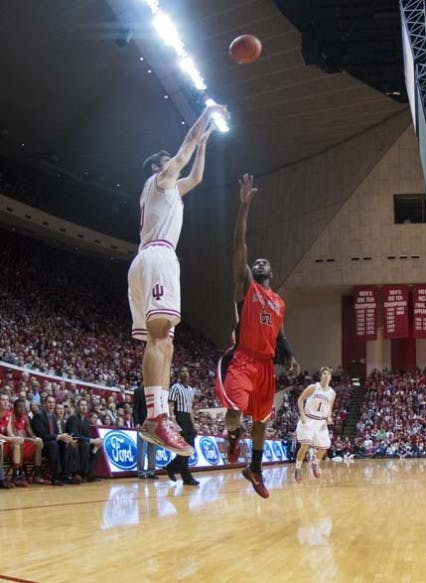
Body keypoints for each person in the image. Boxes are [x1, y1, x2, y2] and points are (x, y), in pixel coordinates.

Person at [130, 102, 228, 456]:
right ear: (158, 167)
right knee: (161, 338)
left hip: (147, 259)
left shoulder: (169, 192)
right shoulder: (159, 180)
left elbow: (197, 177)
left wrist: (203, 146)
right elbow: (183, 152)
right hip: (159, 256)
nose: (172, 161)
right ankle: (157, 417)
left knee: (163, 340)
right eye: (166, 159)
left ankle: (158, 416)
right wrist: (204, 116)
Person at [216, 174, 300, 499]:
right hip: (244, 358)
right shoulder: (245, 286)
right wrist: (243, 208)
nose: (261, 266)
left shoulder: (278, 302)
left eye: (266, 266)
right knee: (236, 409)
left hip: (266, 365)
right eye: (257, 264)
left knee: (263, 421)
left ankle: (255, 467)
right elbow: (240, 245)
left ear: (272, 274)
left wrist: (290, 356)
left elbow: (280, 334)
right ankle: (234, 435)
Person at [293, 367, 336, 483]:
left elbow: (329, 408)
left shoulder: (332, 393)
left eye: (328, 374)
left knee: (325, 446)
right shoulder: (313, 387)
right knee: (305, 445)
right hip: (308, 419)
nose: (326, 376)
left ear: (331, 377)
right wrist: (302, 415)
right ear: (321, 376)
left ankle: (315, 464)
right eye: (324, 374)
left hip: (321, 421)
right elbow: (300, 400)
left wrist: (329, 417)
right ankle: (297, 468)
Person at [31, 396, 80, 484]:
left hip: (52, 443)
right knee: (54, 444)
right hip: (40, 445)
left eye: (53, 403)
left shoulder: (53, 417)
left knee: (68, 444)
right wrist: (59, 437)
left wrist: (66, 438)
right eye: (49, 402)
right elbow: (42, 436)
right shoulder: (39, 416)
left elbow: (57, 434)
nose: (51, 405)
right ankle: (55, 476)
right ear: (44, 404)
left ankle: (67, 475)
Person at [165, 367, 199, 486]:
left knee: (190, 449)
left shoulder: (191, 390)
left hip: (188, 419)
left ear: (189, 374)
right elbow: (170, 404)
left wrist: (194, 425)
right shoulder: (175, 387)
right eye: (182, 371)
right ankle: (186, 477)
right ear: (179, 374)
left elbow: (190, 409)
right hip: (179, 417)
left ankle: (171, 467)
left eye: (186, 371)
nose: (185, 373)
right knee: (184, 448)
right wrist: (173, 419)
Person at [65, 399, 102, 482]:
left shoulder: (86, 421)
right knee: (86, 445)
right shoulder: (73, 418)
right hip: (73, 442)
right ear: (77, 407)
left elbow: (88, 436)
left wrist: (95, 441)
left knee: (98, 446)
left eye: (85, 405)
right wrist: (91, 440)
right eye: (81, 405)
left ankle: (89, 474)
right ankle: (79, 473)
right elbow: (74, 435)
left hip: (83, 442)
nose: (84, 407)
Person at [133, 386, 158, 480]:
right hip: (142, 423)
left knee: (153, 449)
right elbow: (135, 409)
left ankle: (151, 471)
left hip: (154, 424)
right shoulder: (138, 391)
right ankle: (141, 472)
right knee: (141, 449)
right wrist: (137, 423)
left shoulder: (156, 392)